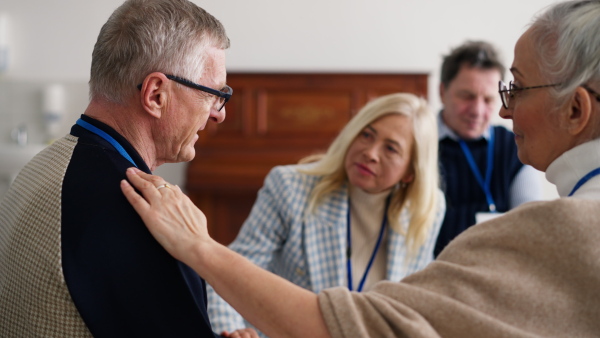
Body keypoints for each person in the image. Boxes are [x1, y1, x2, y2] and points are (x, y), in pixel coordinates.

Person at [121, 0, 600, 336]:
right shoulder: (291, 188)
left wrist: (199, 246)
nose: (500, 111)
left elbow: (374, 325)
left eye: (513, 89)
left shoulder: (551, 225)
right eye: (366, 136)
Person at [0, 0, 257, 337]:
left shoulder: (42, 166)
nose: (218, 113)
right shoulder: (143, 215)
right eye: (212, 94)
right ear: (155, 95)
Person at [206, 93, 446, 335]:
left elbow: (411, 307)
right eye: (367, 135)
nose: (370, 153)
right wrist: (232, 332)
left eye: (391, 149)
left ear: (410, 173)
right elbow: (226, 275)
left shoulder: (428, 208)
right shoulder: (290, 188)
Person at [435, 40, 544, 256]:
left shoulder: (516, 144)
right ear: (442, 92)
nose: (477, 110)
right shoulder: (415, 145)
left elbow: (533, 223)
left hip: (496, 271)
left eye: (488, 99)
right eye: (466, 96)